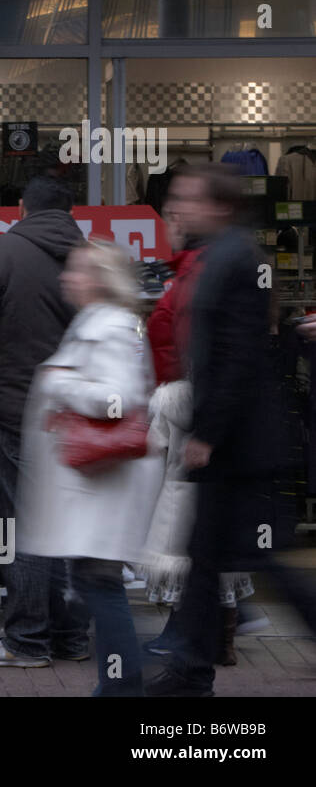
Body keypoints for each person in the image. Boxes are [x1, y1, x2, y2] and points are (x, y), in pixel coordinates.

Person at [147, 164, 316, 697]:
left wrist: (208, 434)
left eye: (189, 198)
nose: (179, 206)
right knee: (210, 561)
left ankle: (190, 671)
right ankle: (190, 671)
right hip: (233, 441)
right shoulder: (223, 255)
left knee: (252, 559)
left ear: (218, 205)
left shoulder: (236, 258)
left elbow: (236, 357)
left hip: (237, 444)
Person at [0, 174, 90, 668]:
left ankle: (27, 640)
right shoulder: (95, 260)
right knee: (71, 525)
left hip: (20, 413)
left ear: (21, 208)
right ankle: (70, 637)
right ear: (71, 210)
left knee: (25, 526)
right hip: (84, 418)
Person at [16, 239, 163, 696]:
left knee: (102, 586)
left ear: (98, 278)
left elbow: (118, 400)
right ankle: (119, 685)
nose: (66, 277)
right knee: (96, 583)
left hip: (103, 485)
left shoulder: (112, 327)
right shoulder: (98, 323)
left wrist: (64, 386)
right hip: (95, 484)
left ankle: (121, 688)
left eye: (76, 270)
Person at [140, 211, 257, 665]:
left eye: (173, 218)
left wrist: (165, 398)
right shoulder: (212, 270)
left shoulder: (192, 279)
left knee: (183, 538)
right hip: (207, 414)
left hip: (187, 408)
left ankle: (192, 637)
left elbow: (170, 342)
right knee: (210, 542)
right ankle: (222, 635)